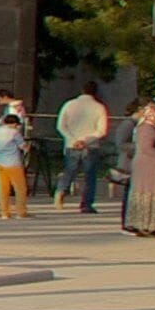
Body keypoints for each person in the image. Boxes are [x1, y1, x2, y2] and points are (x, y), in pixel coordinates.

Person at [57, 83, 114, 215]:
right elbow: (101, 131)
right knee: (90, 175)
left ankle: (61, 190)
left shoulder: (69, 104)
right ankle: (86, 204)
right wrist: (86, 140)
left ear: (82, 91)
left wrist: (73, 139)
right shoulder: (100, 108)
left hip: (72, 144)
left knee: (70, 170)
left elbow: (61, 126)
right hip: (90, 145)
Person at [126, 94, 155, 239]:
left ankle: (153, 226)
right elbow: (147, 148)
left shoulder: (154, 128)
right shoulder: (146, 128)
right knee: (149, 196)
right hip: (148, 169)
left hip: (153, 168)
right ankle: (147, 226)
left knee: (153, 196)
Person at [0, 101, 31, 219]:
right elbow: (23, 146)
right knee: (20, 188)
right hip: (13, 163)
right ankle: (21, 211)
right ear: (14, 124)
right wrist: (28, 147)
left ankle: (5, 212)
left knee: (3, 188)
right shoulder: (15, 133)